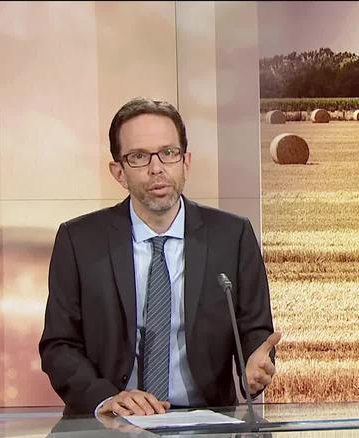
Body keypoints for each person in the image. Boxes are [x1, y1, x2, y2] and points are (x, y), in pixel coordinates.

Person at [39, 97, 280, 417]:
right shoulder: (80, 241)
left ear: (186, 162)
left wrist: (254, 367)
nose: (157, 168)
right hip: (111, 425)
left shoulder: (231, 236)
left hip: (205, 426)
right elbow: (59, 345)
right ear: (119, 172)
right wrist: (105, 399)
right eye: (139, 156)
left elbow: (254, 332)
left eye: (168, 153)